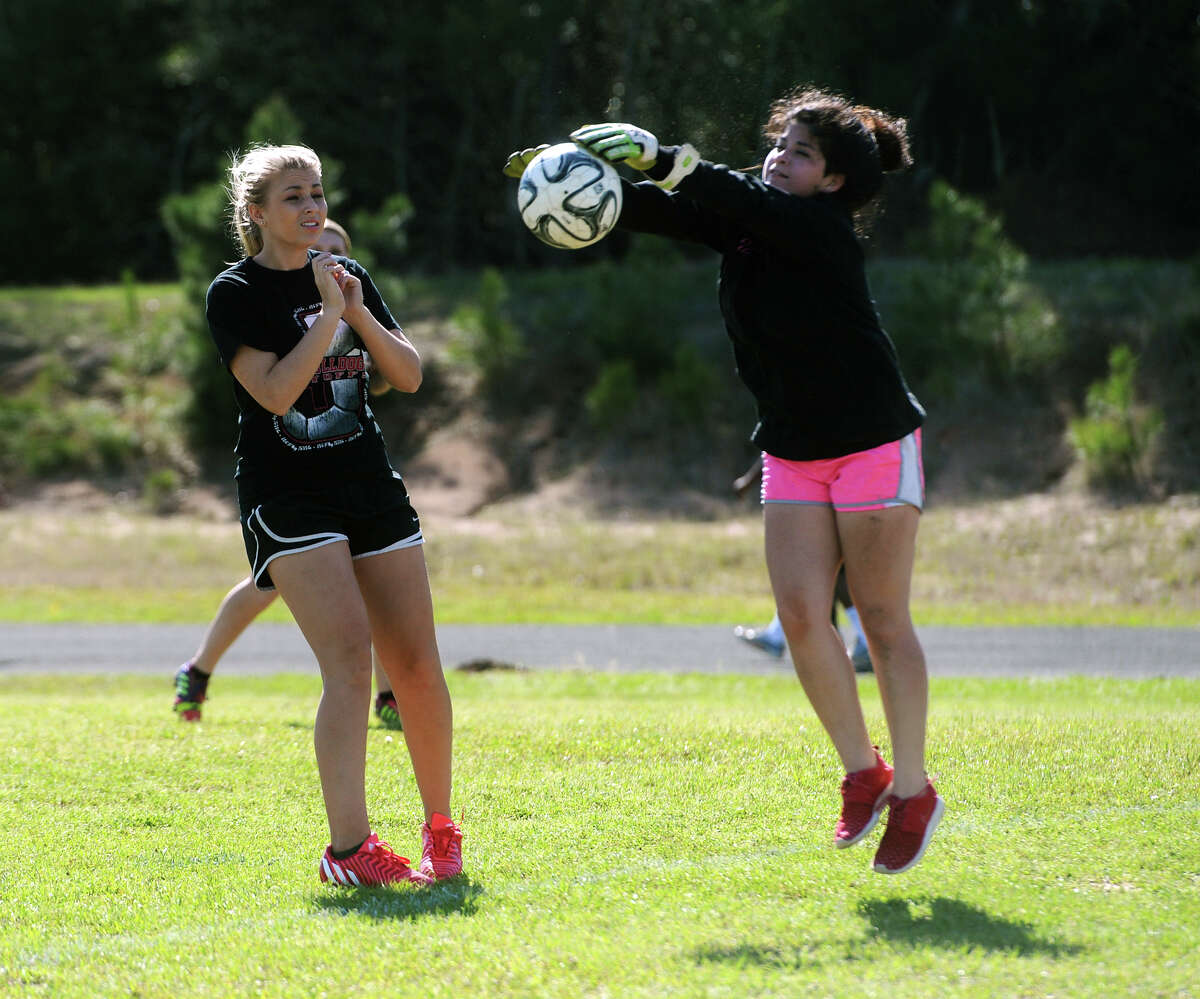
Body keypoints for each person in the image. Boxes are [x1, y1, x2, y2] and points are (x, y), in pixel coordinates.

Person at [505, 86, 942, 875]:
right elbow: (666, 210)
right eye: (779, 144)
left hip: (874, 441)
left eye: (801, 153)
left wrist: (673, 159)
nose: (779, 156)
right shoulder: (753, 218)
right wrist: (575, 173)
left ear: (835, 181)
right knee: (803, 619)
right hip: (792, 447)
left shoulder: (819, 229)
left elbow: (730, 196)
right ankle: (863, 771)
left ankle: (912, 790)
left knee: (880, 618)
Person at [204, 144, 462, 885]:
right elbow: (277, 394)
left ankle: (440, 829)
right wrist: (325, 316)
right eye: (293, 197)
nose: (312, 208)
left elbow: (407, 375)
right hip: (289, 494)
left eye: (316, 193)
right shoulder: (234, 292)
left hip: (369, 484)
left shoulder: (349, 276)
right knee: (350, 662)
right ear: (256, 214)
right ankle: (349, 849)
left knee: (414, 665)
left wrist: (353, 306)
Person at [173, 219, 402, 731]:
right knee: (265, 586)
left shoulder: (350, 296)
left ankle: (388, 696)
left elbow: (393, 378)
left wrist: (359, 325)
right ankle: (198, 669)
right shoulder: (252, 296)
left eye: (337, 250)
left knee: (379, 585)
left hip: (351, 472)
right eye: (317, 247)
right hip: (290, 486)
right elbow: (272, 389)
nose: (324, 257)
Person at [732, 456, 873, 672]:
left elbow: (782, 443)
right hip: (830, 491)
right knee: (821, 574)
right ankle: (783, 635)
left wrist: (749, 480)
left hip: (833, 492)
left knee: (825, 572)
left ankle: (860, 642)